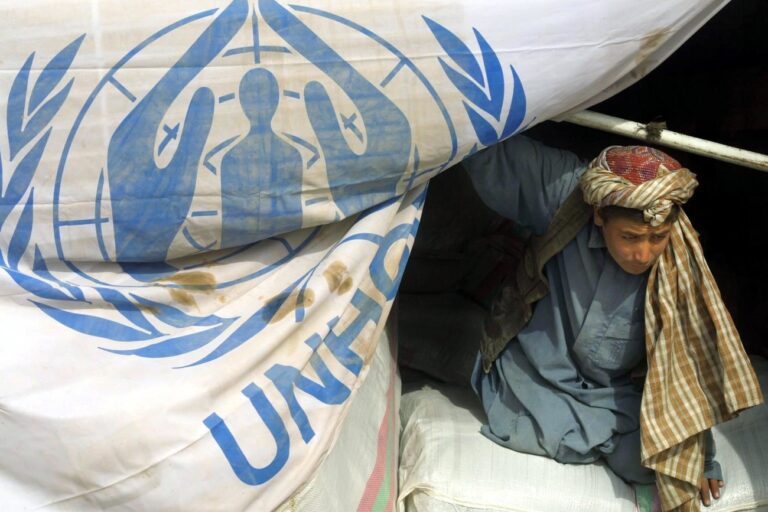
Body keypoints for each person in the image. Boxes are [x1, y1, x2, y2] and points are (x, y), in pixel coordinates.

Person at [462, 136, 763, 511]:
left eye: (656, 237)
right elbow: (485, 147)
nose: (644, 253)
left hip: (615, 394)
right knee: (522, 420)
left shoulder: (678, 261)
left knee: (662, 465)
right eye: (630, 237)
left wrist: (700, 456)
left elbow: (684, 361)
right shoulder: (568, 194)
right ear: (599, 215)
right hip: (536, 376)